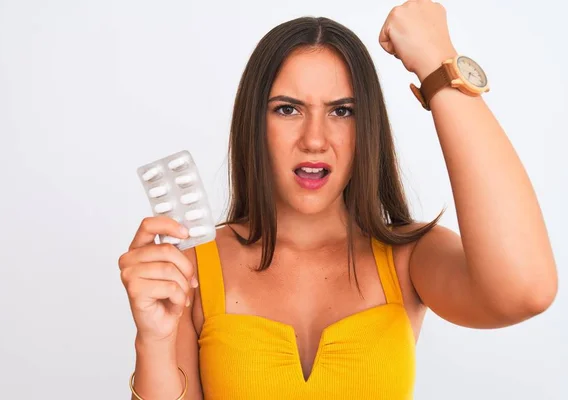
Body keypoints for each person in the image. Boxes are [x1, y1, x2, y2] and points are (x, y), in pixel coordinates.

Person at [118, 1, 558, 399]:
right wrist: (153, 340)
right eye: (287, 109)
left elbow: (526, 291)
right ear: (254, 123)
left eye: (342, 110)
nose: (314, 139)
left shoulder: (409, 259)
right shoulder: (192, 266)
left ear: (367, 128)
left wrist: (439, 67)